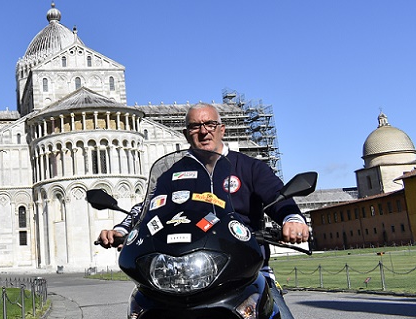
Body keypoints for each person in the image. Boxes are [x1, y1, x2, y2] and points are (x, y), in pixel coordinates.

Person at [97, 103, 309, 316]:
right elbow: (147, 206)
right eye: (195, 126)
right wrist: (122, 230)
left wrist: (292, 220)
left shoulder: (250, 167)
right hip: (179, 274)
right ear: (186, 134)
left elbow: (278, 196)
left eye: (210, 124)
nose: (204, 131)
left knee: (278, 313)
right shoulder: (171, 175)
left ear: (222, 129)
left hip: (243, 271)